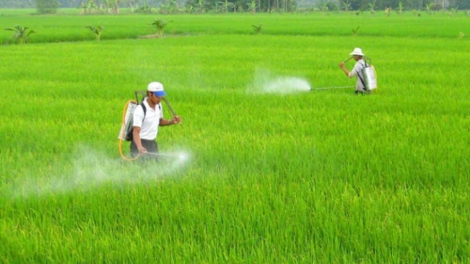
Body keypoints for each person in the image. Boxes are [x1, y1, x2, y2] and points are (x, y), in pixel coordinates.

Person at [131, 81, 182, 159]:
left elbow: (159, 121)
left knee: (156, 166)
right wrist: (140, 147)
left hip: (152, 143)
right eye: (157, 96)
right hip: (140, 142)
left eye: (161, 96)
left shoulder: (158, 106)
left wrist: (171, 122)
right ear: (150, 94)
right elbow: (135, 131)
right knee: (142, 168)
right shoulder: (140, 109)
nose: (160, 98)